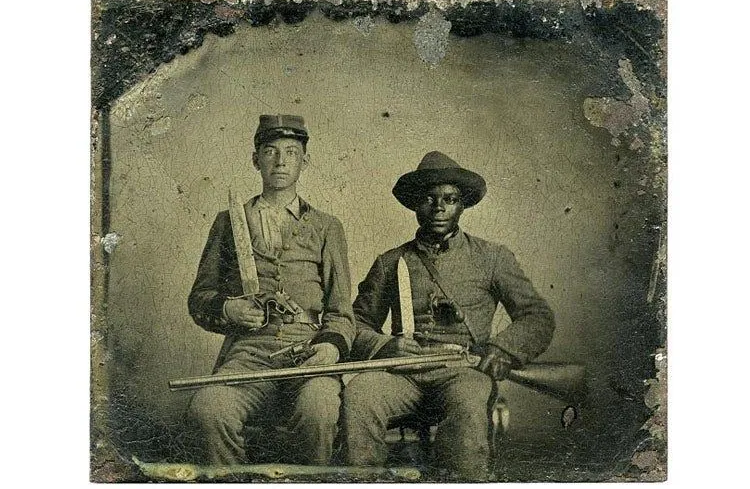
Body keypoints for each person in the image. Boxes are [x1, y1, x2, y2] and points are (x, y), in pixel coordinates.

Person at [341, 151, 556, 480]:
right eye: (428, 198)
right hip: (403, 375)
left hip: (464, 371)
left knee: (469, 401)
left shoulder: (492, 258)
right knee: (360, 394)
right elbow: (356, 323)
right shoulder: (391, 262)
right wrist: (385, 346)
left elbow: (537, 315)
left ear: (462, 205)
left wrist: (502, 349)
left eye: (450, 199)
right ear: (415, 205)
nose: (439, 207)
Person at [186, 114, 355, 465]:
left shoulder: (327, 227)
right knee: (209, 409)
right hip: (248, 353)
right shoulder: (229, 221)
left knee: (320, 410)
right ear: (255, 160)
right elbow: (200, 298)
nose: (280, 161)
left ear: (304, 161)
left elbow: (341, 313)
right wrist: (227, 309)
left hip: (309, 351)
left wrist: (329, 347)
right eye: (270, 151)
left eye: (291, 152)